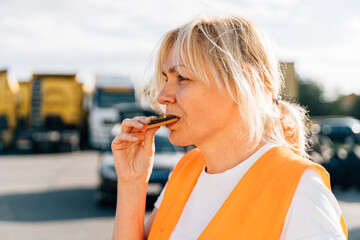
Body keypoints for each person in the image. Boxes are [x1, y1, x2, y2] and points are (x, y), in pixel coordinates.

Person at [111, 14, 348, 240]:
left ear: (240, 84)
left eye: (182, 78)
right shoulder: (186, 169)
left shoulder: (301, 189)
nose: (163, 96)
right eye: (166, 79)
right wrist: (132, 182)